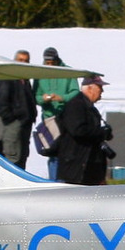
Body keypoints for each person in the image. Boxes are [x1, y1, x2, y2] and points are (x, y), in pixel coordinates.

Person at [56, 76, 114, 186]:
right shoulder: (75, 105)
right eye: (100, 87)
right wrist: (102, 133)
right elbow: (78, 131)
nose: (102, 91)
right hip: (77, 166)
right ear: (89, 88)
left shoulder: (90, 107)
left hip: (89, 163)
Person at [37, 47, 81, 179]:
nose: (49, 64)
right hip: (49, 119)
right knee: (52, 153)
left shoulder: (68, 72)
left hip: (66, 119)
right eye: (47, 62)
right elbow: (36, 96)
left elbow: (75, 92)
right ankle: (53, 183)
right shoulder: (40, 74)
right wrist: (43, 99)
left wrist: (62, 98)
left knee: (67, 153)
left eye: (51, 61)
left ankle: (65, 182)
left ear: (56, 59)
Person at [0, 50, 36, 168]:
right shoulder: (7, 77)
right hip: (15, 122)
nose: (23, 63)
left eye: (26, 61)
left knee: (23, 155)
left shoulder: (25, 79)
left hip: (26, 123)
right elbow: (1, 99)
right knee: (13, 156)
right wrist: (10, 119)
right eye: (20, 60)